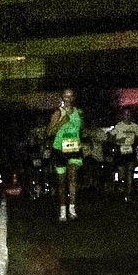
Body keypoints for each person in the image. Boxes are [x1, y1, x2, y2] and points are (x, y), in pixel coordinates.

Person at [47, 88, 83, 222]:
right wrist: (61, 122)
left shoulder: (79, 112)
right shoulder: (58, 113)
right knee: (61, 182)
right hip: (60, 149)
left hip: (74, 148)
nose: (68, 99)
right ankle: (62, 210)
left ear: (73, 97)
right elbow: (49, 132)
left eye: (70, 96)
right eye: (65, 97)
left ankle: (72, 209)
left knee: (73, 178)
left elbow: (82, 130)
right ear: (62, 98)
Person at [107, 108, 138, 202]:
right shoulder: (119, 126)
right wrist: (117, 140)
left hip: (130, 151)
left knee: (130, 173)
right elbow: (109, 137)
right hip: (120, 151)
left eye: (128, 114)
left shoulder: (135, 126)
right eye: (125, 114)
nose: (127, 116)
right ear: (122, 115)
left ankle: (128, 194)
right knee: (122, 174)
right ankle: (121, 189)